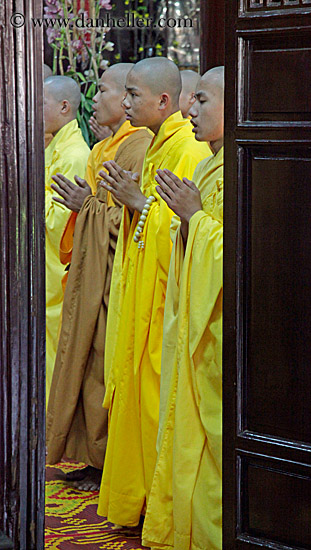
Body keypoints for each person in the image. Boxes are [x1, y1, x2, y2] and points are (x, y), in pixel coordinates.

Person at [96, 57, 211, 528]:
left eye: (133, 95)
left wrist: (140, 203)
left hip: (166, 304)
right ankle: (141, 503)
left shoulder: (186, 151)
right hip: (143, 297)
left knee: (156, 409)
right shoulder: (158, 147)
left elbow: (181, 230)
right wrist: (134, 204)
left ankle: (156, 507)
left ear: (164, 100)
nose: (124, 103)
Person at [46, 64, 151, 491]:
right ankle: (90, 457)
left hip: (117, 278)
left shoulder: (139, 146)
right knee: (87, 364)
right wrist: (86, 205)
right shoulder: (104, 150)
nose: (106, 100)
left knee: (105, 368)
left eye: (107, 90)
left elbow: (137, 218)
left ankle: (107, 460)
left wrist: (87, 204)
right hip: (91, 275)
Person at [142, 66, 225, 550]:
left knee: (211, 440)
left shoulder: (242, 165)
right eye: (191, 101)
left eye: (203, 101)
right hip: (190, 315)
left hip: (214, 329)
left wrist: (194, 217)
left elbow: (237, 254)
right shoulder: (205, 164)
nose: (189, 110)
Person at [44, 76, 90, 407]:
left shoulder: (74, 153)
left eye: (39, 104)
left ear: (64, 106)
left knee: (53, 341)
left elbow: (58, 223)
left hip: (54, 267)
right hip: (40, 265)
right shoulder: (56, 147)